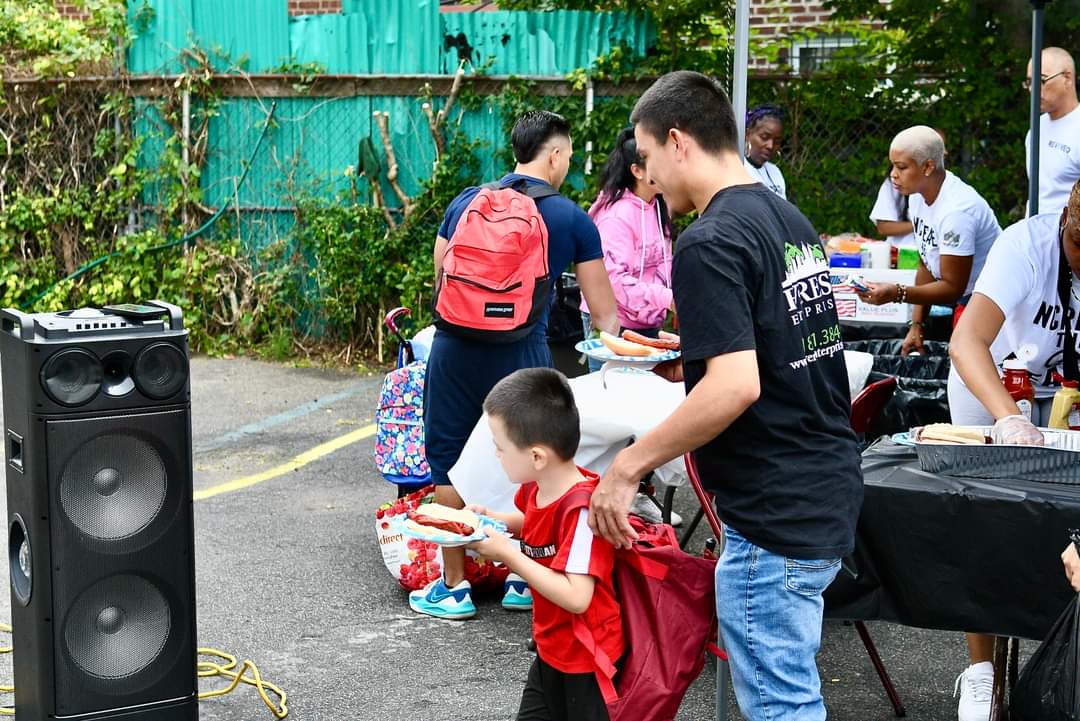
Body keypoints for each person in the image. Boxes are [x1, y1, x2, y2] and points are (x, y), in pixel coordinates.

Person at [589, 71, 862, 721]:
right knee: (789, 692)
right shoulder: (787, 219)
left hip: (773, 510)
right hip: (819, 490)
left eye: (649, 158)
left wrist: (628, 465)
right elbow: (781, 353)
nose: (648, 178)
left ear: (678, 141)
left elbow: (736, 385)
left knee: (781, 704)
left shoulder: (709, 240)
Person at [413, 110, 619, 620]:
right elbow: (604, 310)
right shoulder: (572, 218)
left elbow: (440, 273)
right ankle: (525, 578)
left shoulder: (466, 201)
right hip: (523, 352)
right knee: (530, 455)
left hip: (455, 347)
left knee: (449, 457)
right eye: (567, 156)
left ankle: (454, 585)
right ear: (553, 155)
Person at [948, 179, 1080, 721]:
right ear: (1068, 223)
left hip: (1064, 390)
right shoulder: (1025, 246)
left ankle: (1057, 658)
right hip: (997, 382)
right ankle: (982, 673)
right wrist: (1007, 416)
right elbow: (966, 341)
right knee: (986, 516)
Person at [467, 368, 623, 721]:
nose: (496, 454)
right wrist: (492, 520)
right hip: (551, 650)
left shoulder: (583, 511)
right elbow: (534, 524)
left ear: (537, 456)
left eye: (500, 447)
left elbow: (576, 596)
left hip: (588, 661)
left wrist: (509, 554)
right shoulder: (537, 488)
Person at [858, 126, 1001, 350]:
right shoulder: (917, 196)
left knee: (967, 366)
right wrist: (917, 324)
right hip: (967, 298)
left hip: (989, 301)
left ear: (927, 167)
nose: (893, 174)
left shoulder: (957, 211)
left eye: (901, 167)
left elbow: (953, 287)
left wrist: (897, 293)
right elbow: (926, 260)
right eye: (892, 166)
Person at [580, 127, 674, 370]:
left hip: (647, 322)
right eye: (659, 162)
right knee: (614, 401)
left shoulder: (658, 206)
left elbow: (665, 264)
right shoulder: (616, 217)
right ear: (637, 171)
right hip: (615, 324)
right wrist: (667, 298)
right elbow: (614, 282)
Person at [869, 129, 947, 248]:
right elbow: (883, 227)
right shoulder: (899, 185)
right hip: (902, 255)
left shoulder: (952, 193)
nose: (894, 175)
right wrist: (921, 224)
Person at [1025, 47, 1080, 216]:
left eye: (1041, 81)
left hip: (1068, 239)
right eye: (1029, 82)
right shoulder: (1036, 127)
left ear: (1067, 78)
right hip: (1034, 235)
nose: (1033, 89)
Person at [743, 104, 787, 199]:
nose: (770, 146)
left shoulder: (775, 172)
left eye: (777, 141)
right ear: (747, 134)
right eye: (764, 137)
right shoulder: (737, 168)